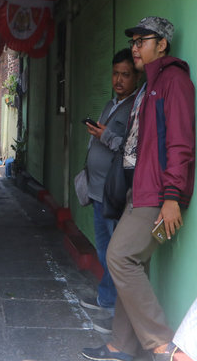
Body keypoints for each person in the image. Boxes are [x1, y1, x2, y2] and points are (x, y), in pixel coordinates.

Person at [81, 17, 195, 361]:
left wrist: (172, 197)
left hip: (158, 195)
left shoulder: (174, 81)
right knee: (135, 263)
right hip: (138, 190)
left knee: (119, 257)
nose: (135, 47)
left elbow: (181, 144)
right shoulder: (150, 84)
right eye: (133, 42)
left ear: (161, 44)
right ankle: (121, 345)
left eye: (142, 40)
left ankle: (163, 345)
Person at [80, 48, 139, 334]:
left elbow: (130, 149)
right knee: (103, 249)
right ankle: (106, 298)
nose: (118, 80)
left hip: (113, 193)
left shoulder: (135, 108)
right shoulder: (110, 103)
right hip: (96, 190)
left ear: (136, 77)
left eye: (125, 75)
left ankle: (115, 312)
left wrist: (104, 135)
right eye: (115, 73)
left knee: (114, 254)